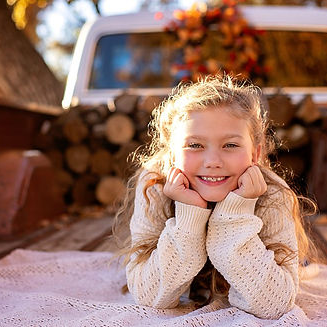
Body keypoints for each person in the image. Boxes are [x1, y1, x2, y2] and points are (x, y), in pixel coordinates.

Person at [112, 75, 316, 319]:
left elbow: (273, 303)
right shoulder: (154, 186)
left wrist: (234, 216)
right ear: (172, 155)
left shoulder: (272, 193)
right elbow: (150, 296)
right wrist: (189, 217)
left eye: (230, 145)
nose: (213, 162)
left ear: (255, 154)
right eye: (195, 145)